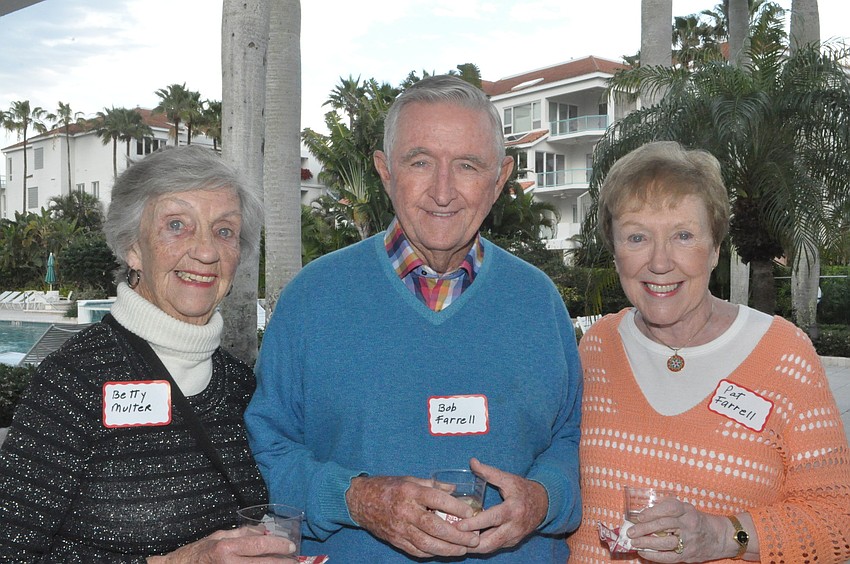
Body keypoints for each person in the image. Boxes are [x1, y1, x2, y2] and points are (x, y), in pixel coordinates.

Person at [245, 74, 583, 562]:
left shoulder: (539, 302)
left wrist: (543, 500)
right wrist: (357, 499)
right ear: (385, 171)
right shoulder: (311, 300)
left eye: (467, 165)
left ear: (500, 179)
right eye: (420, 162)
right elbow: (269, 451)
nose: (442, 191)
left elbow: (567, 440)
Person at [0, 146, 295, 562]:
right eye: (177, 225)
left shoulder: (240, 384)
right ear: (132, 247)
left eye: (224, 231)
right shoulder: (72, 382)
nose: (206, 251)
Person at [566, 141, 850, 562]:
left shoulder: (783, 353)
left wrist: (722, 535)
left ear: (716, 248)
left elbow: (838, 520)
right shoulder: (596, 348)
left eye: (683, 235)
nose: (660, 261)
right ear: (615, 251)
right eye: (637, 236)